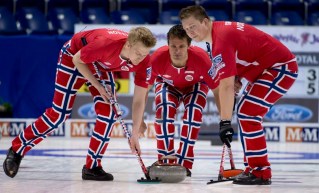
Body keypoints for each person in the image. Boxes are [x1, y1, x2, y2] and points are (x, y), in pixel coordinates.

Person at [3, 27, 157, 181]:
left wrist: (135, 133)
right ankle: (17, 149)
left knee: (109, 113)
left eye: (145, 54)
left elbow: (139, 99)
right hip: (73, 57)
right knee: (59, 114)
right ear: (128, 45)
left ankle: (92, 167)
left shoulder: (144, 61)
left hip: (100, 64)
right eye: (138, 54)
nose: (141, 58)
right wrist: (98, 86)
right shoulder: (106, 43)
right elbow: (77, 59)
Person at [179, 5, 298, 185]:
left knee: (248, 112)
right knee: (245, 113)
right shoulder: (217, 36)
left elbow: (226, 87)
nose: (190, 32)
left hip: (280, 68)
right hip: (264, 70)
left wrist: (225, 122)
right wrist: (237, 77)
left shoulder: (221, 38)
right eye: (186, 29)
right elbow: (245, 54)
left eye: (193, 26)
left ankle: (261, 172)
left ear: (205, 21)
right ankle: (253, 167)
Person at [145, 24, 218, 177]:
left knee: (193, 114)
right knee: (164, 113)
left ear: (189, 45)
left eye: (181, 46)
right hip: (167, 84)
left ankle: (184, 163)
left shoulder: (202, 59)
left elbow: (217, 90)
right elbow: (143, 89)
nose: (177, 51)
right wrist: (138, 120)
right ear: (167, 45)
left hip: (195, 85)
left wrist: (225, 119)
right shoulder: (157, 58)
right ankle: (166, 160)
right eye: (173, 46)